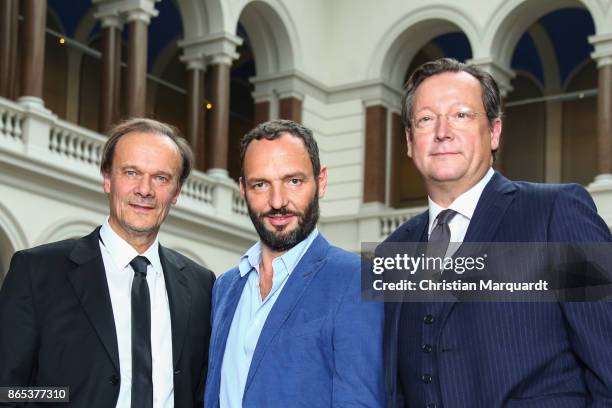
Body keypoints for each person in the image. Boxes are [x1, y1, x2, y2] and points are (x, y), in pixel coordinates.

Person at [383, 58, 612, 407]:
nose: (442, 131)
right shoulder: (392, 251)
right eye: (427, 119)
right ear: (410, 141)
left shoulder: (558, 213)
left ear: (494, 132)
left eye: (461, 115)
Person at [0, 118, 215, 407]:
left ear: (176, 192)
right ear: (107, 178)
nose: (145, 189)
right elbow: (7, 391)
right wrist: (62, 397)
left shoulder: (201, 286)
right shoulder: (38, 271)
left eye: (161, 178)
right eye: (131, 172)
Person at [204, 119, 385, 407]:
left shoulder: (355, 280)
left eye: (294, 181)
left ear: (321, 182)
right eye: (261, 184)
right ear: (242, 189)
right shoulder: (225, 287)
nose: (278, 201)